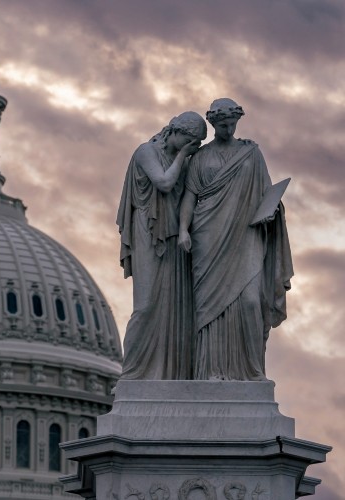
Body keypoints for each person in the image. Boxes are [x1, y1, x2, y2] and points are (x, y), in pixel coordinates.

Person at [178, 98, 293, 381]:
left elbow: (267, 193)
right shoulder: (201, 158)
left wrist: (272, 210)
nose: (227, 128)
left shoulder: (251, 154)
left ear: (237, 122)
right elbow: (189, 197)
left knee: (251, 302)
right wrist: (182, 229)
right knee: (208, 308)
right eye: (221, 125)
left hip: (246, 235)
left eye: (231, 124)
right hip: (208, 236)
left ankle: (252, 371)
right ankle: (211, 371)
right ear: (213, 125)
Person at [117, 111, 206, 380]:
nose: (196, 148)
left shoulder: (186, 162)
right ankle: (132, 374)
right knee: (145, 306)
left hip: (175, 237)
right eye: (193, 142)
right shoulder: (147, 151)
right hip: (148, 228)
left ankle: (169, 374)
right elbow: (164, 183)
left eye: (199, 144)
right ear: (177, 133)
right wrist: (183, 156)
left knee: (174, 309)